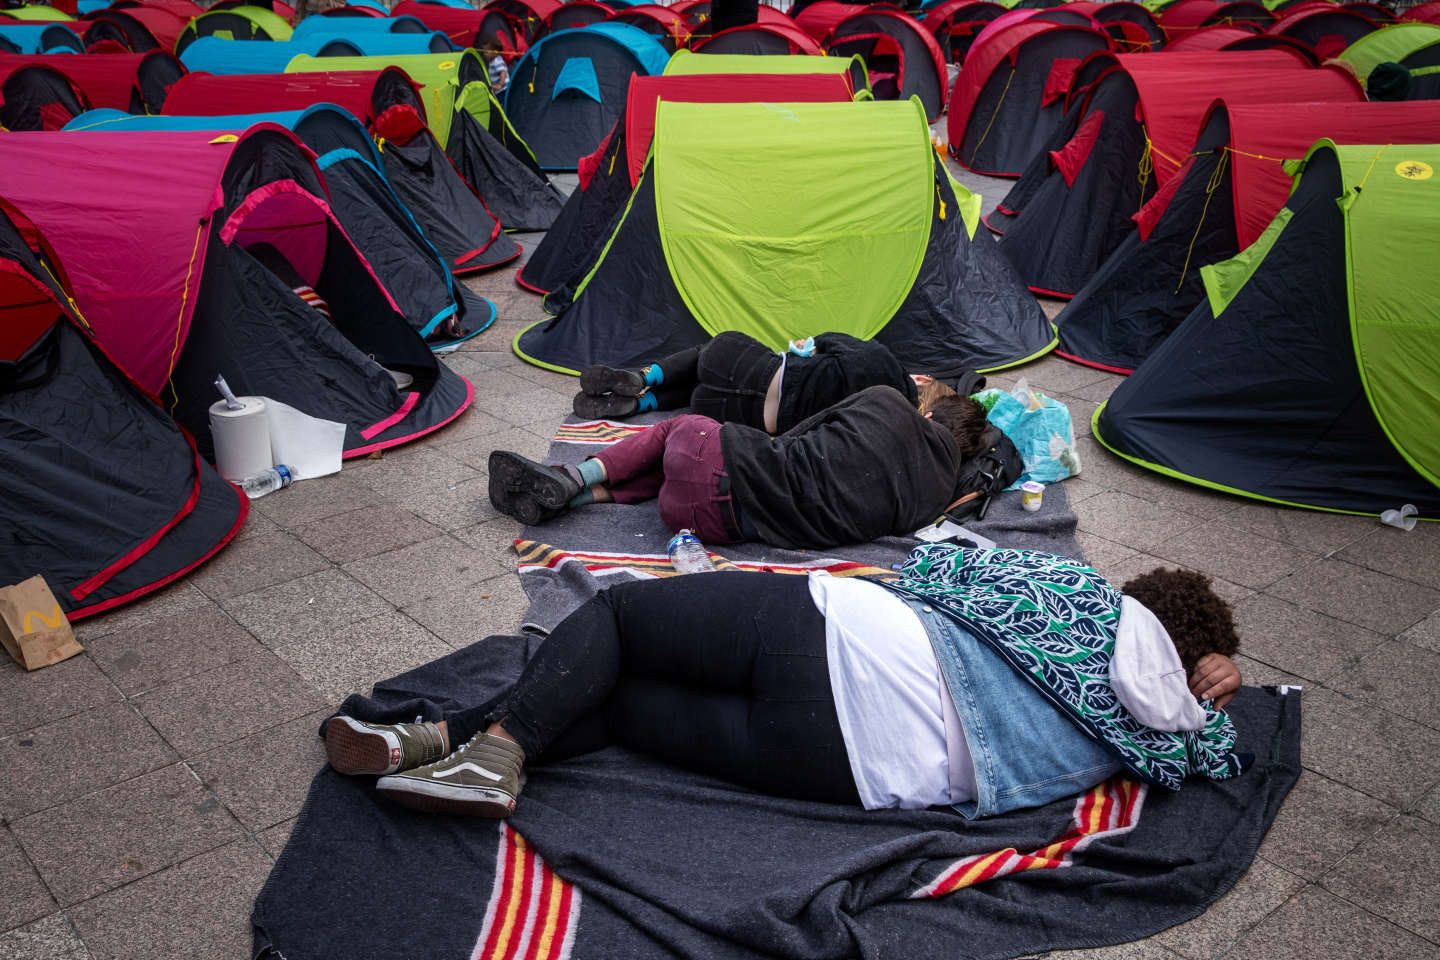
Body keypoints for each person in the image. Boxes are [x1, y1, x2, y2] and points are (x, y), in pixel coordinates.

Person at [322, 548, 1245, 819]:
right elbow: (1221, 752)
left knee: (619, 618)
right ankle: (445, 749)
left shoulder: (1081, 597)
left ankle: (489, 746)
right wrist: (1213, 699)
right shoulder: (1168, 734)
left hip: (845, 646)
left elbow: (936, 572)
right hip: (855, 771)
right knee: (629, 712)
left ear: (1142, 601)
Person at [488, 384, 989, 549]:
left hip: (711, 469)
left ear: (927, 410)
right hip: (710, 525)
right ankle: (572, 501)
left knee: (679, 431)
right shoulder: (935, 500)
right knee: (690, 467)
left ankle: (573, 477)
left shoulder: (887, 401)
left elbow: (795, 436)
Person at [573, 331, 956, 434]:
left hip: (751, 368)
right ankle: (645, 405)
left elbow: (828, 338)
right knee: (698, 392)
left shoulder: (884, 361)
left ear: (922, 382)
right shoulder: (887, 423)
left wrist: (813, 352)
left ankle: (645, 377)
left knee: (710, 351)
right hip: (743, 417)